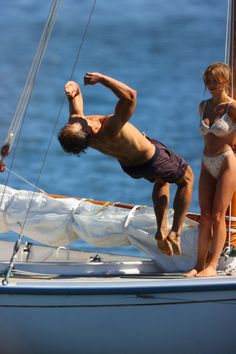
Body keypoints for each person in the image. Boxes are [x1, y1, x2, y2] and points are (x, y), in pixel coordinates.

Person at [58, 72, 194, 256]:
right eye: (72, 125)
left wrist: (72, 87)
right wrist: (102, 79)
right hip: (150, 158)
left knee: (162, 180)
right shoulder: (108, 129)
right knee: (187, 179)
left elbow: (76, 109)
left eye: (69, 124)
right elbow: (131, 96)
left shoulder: (82, 132)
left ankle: (161, 231)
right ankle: (175, 233)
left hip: (130, 167)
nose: (71, 121)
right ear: (84, 131)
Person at [186, 62, 236, 277]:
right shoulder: (203, 105)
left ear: (224, 81)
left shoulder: (232, 107)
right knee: (204, 216)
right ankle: (198, 264)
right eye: (208, 81)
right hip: (207, 161)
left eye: (215, 81)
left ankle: (212, 266)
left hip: (226, 161)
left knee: (217, 216)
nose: (211, 85)